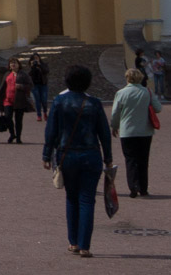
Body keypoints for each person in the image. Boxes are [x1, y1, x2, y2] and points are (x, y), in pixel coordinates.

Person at [42, 64, 114, 257]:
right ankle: (85, 245)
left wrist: (46, 155)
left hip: (67, 154)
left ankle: (73, 242)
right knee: (87, 200)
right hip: (91, 155)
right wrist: (108, 158)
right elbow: (104, 134)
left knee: (71, 198)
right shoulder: (95, 103)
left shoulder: (59, 101)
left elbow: (51, 132)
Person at [110, 68, 163, 198]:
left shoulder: (121, 93)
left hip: (127, 131)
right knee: (143, 160)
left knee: (130, 160)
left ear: (127, 78)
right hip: (145, 131)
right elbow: (158, 108)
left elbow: (115, 113)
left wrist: (114, 126)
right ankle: (143, 188)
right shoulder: (147, 92)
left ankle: (133, 187)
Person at [0, 56, 34, 144]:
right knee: (8, 117)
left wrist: (21, 86)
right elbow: (2, 86)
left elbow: (30, 85)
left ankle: (18, 137)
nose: (13, 64)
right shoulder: (7, 74)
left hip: (19, 100)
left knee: (18, 120)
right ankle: (12, 134)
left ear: (18, 65)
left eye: (15, 63)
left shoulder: (23, 74)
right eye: (11, 63)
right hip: (7, 100)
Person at [29, 53, 51, 121]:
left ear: (39, 58)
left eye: (37, 57)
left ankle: (45, 112)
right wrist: (33, 67)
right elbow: (30, 74)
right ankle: (39, 115)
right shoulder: (32, 66)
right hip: (35, 85)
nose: (36, 59)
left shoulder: (43, 64)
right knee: (37, 100)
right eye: (34, 58)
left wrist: (40, 65)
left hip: (43, 84)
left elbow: (46, 71)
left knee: (44, 100)